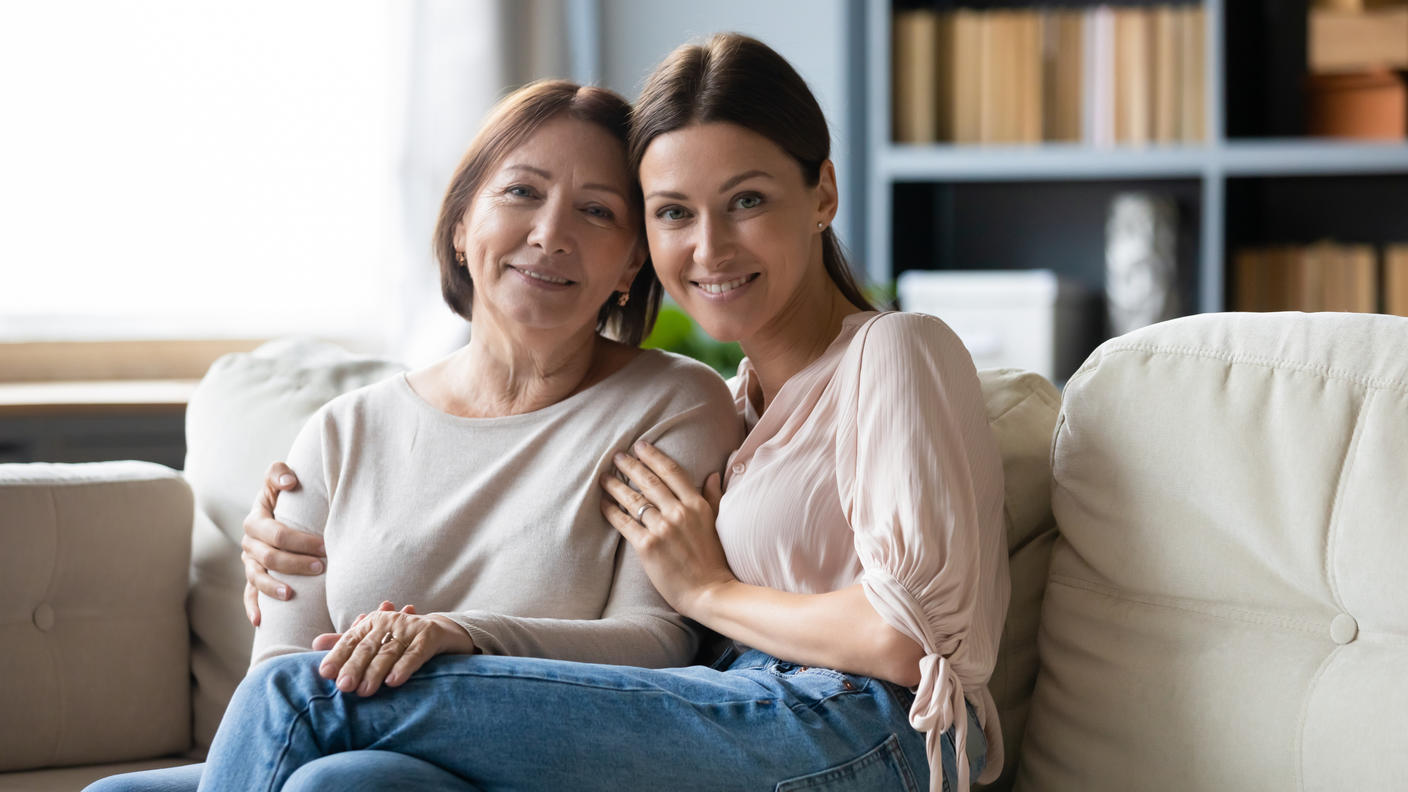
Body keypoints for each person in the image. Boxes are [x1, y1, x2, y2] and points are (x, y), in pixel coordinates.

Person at [221, 33, 1008, 792]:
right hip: (752, 705)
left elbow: (909, 640)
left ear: (823, 194)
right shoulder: (741, 411)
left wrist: (708, 594)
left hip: (875, 728)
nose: (708, 248)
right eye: (672, 212)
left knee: (300, 696)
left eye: (747, 201)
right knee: (347, 779)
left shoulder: (898, 350)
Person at [84, 80, 741, 792]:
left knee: (336, 787)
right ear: (461, 227)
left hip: (533, 766)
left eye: (596, 211)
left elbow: (660, 642)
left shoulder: (671, 404)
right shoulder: (342, 431)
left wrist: (459, 634)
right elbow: (279, 679)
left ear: (631, 264)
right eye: (522, 192)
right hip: (341, 755)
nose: (552, 233)